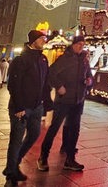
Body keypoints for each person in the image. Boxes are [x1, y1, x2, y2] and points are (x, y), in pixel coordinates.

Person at [3, 30, 53, 186]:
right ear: (33, 40)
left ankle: (14, 163)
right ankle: (11, 175)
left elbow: (46, 83)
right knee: (16, 140)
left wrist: (48, 103)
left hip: (37, 106)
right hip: (22, 107)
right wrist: (19, 106)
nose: (44, 41)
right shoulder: (21, 60)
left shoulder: (43, 59)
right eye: (41, 38)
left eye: (45, 38)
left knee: (34, 134)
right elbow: (14, 85)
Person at [37, 34, 93, 172]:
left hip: (78, 100)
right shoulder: (65, 59)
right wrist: (59, 86)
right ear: (73, 45)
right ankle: (43, 156)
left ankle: (70, 159)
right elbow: (51, 74)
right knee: (54, 127)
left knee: (75, 129)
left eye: (83, 44)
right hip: (63, 101)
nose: (81, 47)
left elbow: (89, 75)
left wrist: (89, 82)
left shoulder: (84, 60)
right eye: (78, 44)